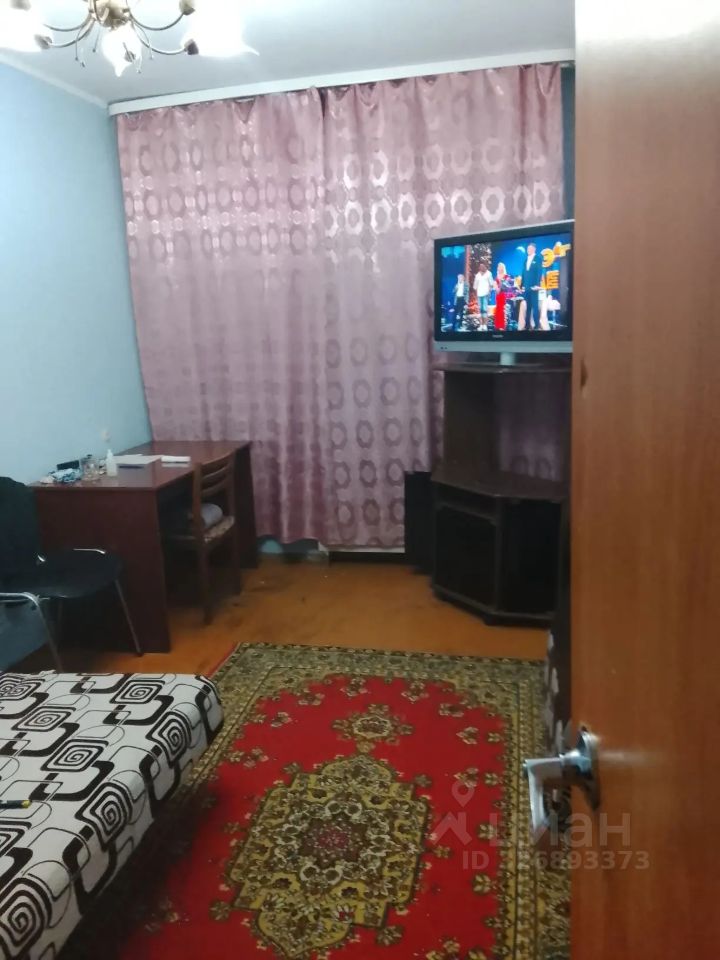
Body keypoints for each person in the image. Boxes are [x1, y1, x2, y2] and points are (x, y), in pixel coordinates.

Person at [521, 242, 543, 331]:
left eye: (530, 249)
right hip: (526, 287)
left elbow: (539, 272)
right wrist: (522, 285)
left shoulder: (538, 258)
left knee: (535, 306)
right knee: (528, 307)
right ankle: (527, 325)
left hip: (534, 287)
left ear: (534, 249)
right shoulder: (525, 260)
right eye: (527, 249)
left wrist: (537, 285)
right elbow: (523, 273)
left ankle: (537, 325)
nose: (528, 250)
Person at [473, 262, 494, 331]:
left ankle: (485, 325)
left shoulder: (489, 273)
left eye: (483, 266)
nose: (481, 267)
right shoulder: (478, 275)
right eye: (480, 266)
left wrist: (489, 292)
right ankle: (481, 325)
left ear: (485, 266)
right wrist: (476, 291)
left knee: (484, 310)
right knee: (480, 310)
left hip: (485, 294)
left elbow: (491, 284)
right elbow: (475, 286)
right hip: (479, 294)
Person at [493, 262, 512, 331]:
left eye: (501, 267)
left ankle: (502, 326)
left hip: (503, 295)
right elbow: (495, 286)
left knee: (502, 310)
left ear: (503, 268)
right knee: (498, 309)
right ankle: (497, 325)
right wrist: (496, 287)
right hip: (498, 295)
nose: (499, 268)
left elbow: (508, 286)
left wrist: (500, 285)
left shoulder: (506, 276)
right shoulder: (496, 276)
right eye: (498, 267)